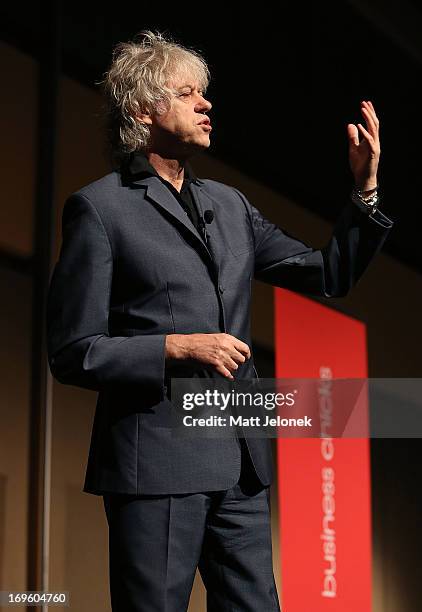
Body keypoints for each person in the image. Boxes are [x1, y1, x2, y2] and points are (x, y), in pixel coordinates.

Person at [46, 30, 392, 612]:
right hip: (155, 465)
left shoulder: (229, 206)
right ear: (143, 111)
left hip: (238, 464)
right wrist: (173, 346)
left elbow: (327, 274)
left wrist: (364, 191)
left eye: (205, 93)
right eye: (188, 94)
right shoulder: (100, 210)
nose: (207, 104)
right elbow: (73, 350)